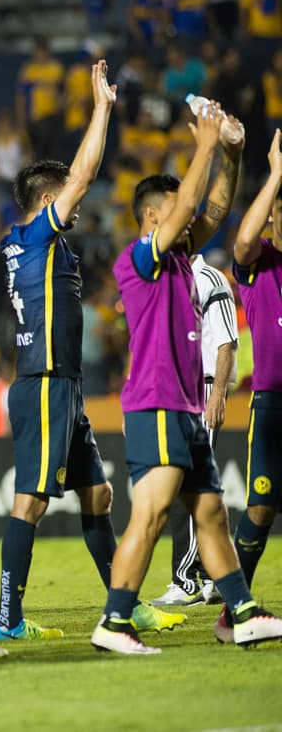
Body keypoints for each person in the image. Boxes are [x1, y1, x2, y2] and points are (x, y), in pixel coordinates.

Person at [92, 102, 281, 654]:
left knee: (212, 515)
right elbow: (194, 204)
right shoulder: (140, 260)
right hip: (155, 404)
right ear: (154, 216)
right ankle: (115, 621)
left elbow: (216, 206)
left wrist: (233, 150)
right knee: (149, 517)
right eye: (175, 209)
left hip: (186, 407)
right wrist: (202, 144)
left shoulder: (177, 259)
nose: (187, 218)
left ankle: (241, 613)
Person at [0, 61, 123, 641]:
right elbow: (87, 173)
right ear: (48, 199)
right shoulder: (40, 234)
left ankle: (122, 602)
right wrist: (102, 109)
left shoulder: (27, 245)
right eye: (64, 189)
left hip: (58, 381)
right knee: (31, 504)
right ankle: (6, 619)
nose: (75, 195)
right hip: (45, 380)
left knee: (97, 492)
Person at [152, 252, 238, 607]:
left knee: (183, 482)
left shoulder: (210, 279)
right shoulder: (163, 280)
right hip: (173, 392)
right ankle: (217, 576)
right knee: (199, 486)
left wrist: (217, 393)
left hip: (200, 390)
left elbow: (226, 342)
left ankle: (187, 579)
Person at [225, 129, 282, 627]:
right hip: (272, 404)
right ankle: (233, 614)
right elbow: (242, 239)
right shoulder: (260, 263)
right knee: (261, 507)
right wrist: (276, 173)